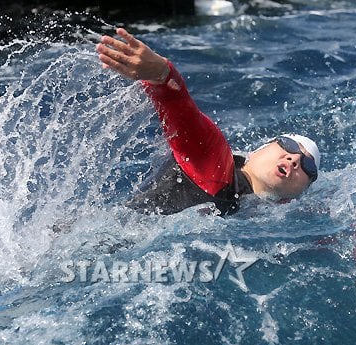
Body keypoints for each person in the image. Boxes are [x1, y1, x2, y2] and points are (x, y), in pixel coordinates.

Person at [96, 28, 320, 215]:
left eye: (308, 166)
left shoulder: (254, 211)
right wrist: (162, 74)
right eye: (289, 145)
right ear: (259, 150)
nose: (294, 159)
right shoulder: (217, 162)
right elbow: (182, 111)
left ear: (292, 198)